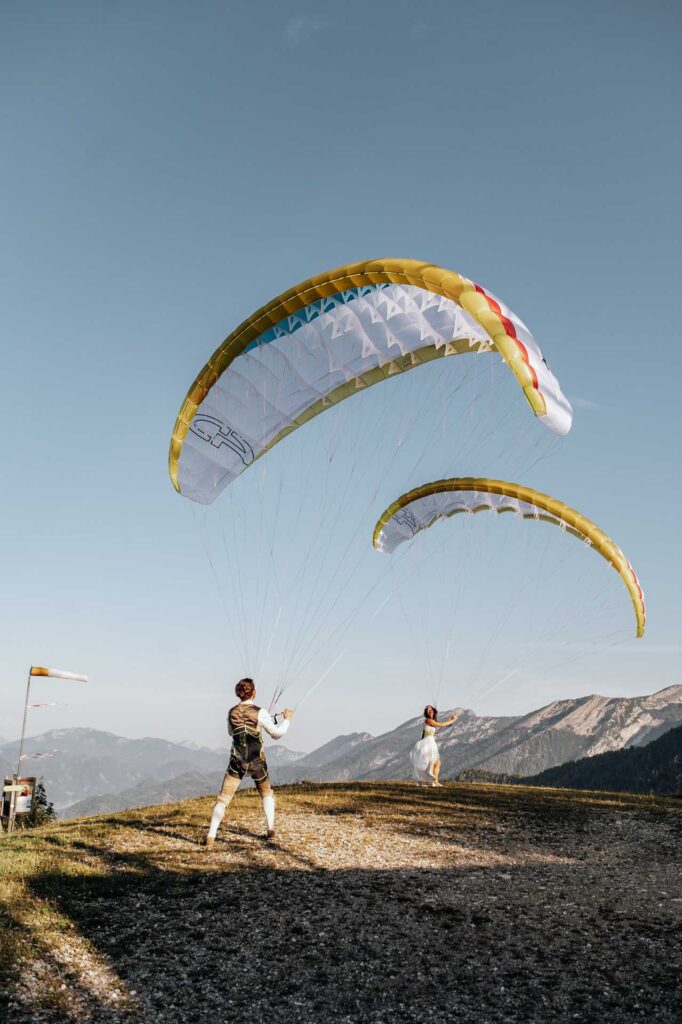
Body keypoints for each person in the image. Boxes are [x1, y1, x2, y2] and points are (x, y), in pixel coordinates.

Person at [203, 677, 294, 846]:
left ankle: (211, 835)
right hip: (257, 761)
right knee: (266, 793)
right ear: (254, 692)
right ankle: (270, 829)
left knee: (223, 799)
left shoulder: (232, 712)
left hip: (237, 761)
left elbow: (232, 733)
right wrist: (287, 719)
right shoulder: (261, 712)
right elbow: (276, 734)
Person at [410, 705, 458, 787]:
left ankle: (431, 782)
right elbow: (442, 725)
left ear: (433, 711)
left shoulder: (432, 721)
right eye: (428, 711)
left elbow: (442, 724)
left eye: (431, 710)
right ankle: (432, 782)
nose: (430, 711)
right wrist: (454, 719)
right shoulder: (428, 720)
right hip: (427, 744)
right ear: (426, 713)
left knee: (435, 763)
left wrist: (450, 720)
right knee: (432, 763)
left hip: (429, 743)